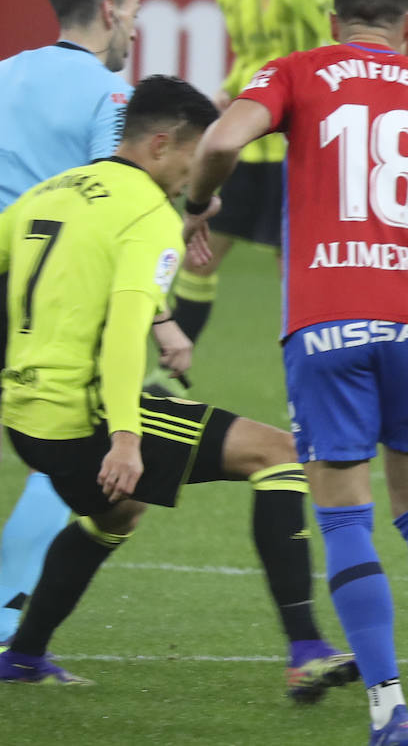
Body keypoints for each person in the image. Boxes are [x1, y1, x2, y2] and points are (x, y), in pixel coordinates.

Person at [183, 0, 408, 746]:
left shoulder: (298, 70)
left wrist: (200, 201)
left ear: (333, 22)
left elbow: (224, 135)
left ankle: (389, 711)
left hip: (325, 321)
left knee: (345, 515)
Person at [0, 75, 357, 703]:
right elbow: (121, 333)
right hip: (83, 419)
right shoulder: (146, 214)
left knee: (117, 511)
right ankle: (306, 649)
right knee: (277, 454)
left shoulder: (48, 193)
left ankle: (23, 656)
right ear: (163, 144)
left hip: (25, 414)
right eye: (199, 158)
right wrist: (126, 437)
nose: (203, 175)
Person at [0, 0, 171, 644]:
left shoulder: (5, 74)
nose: (133, 26)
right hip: (53, 300)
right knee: (65, 452)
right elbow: (117, 199)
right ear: (109, 12)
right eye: (132, 12)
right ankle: (10, 608)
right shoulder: (112, 98)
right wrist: (159, 318)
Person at [165, 0, 333, 354]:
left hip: (292, 148)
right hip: (245, 148)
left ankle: (314, 370)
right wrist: (230, 86)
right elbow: (247, 55)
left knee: (295, 269)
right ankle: (172, 371)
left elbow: (333, 51)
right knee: (199, 256)